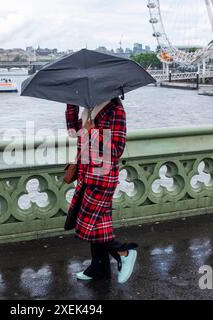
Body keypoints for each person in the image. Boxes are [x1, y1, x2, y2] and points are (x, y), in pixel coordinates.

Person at [65, 98, 138, 283]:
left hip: (102, 176)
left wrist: (93, 133)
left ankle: (124, 252)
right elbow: (73, 132)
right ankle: (99, 268)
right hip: (86, 172)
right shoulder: (88, 107)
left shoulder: (115, 109)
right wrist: (70, 103)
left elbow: (116, 149)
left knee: (89, 225)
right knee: (98, 224)